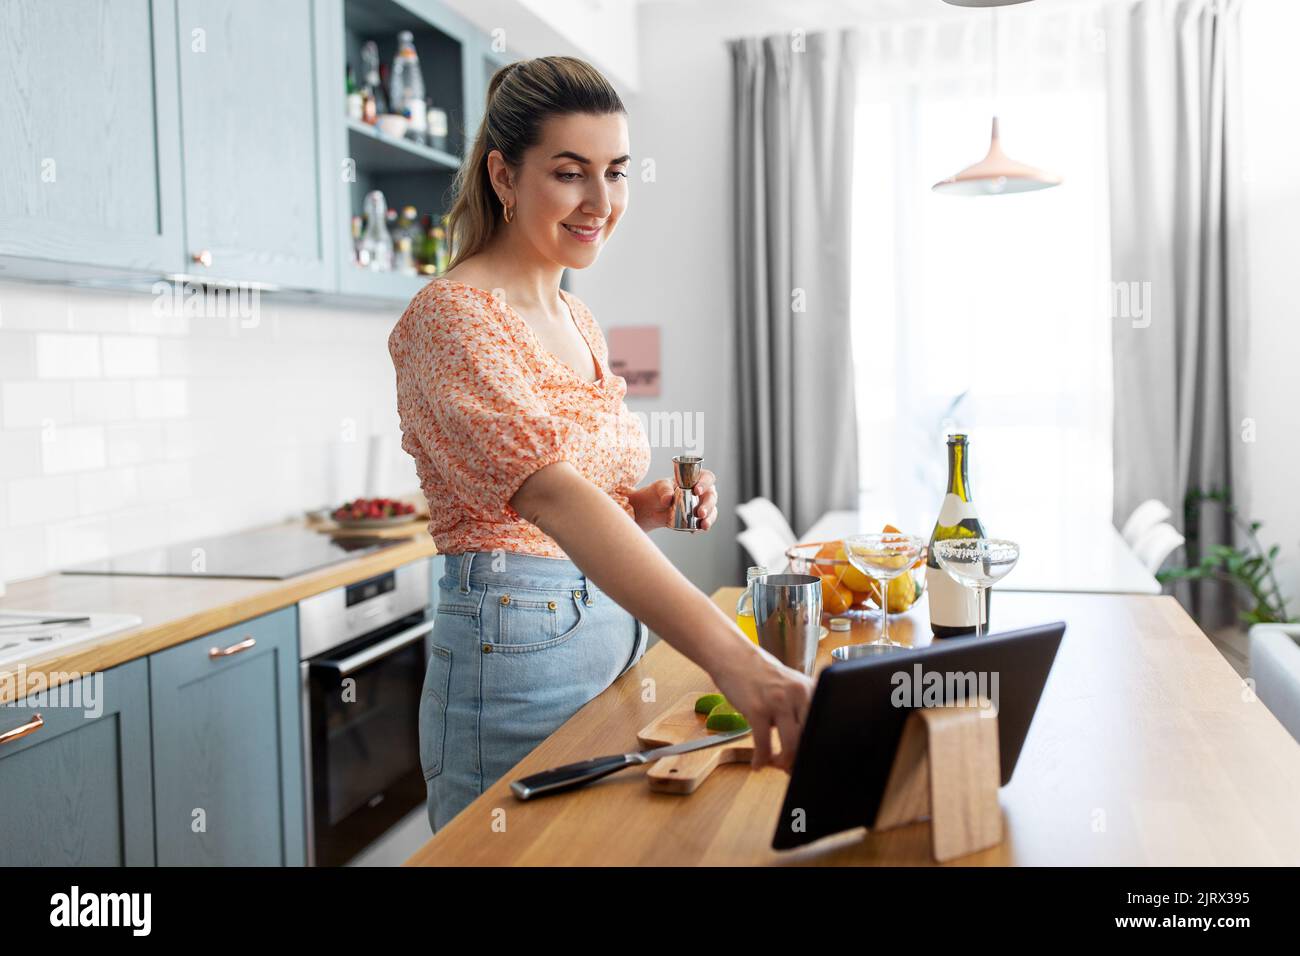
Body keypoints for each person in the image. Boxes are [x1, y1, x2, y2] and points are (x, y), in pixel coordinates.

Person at [388, 56, 813, 833]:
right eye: (570, 173)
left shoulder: (576, 317)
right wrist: (734, 657)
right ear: (504, 175)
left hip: (610, 634)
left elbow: (575, 496)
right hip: (512, 647)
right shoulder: (451, 315)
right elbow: (548, 493)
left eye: (616, 172)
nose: (600, 201)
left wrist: (640, 506)